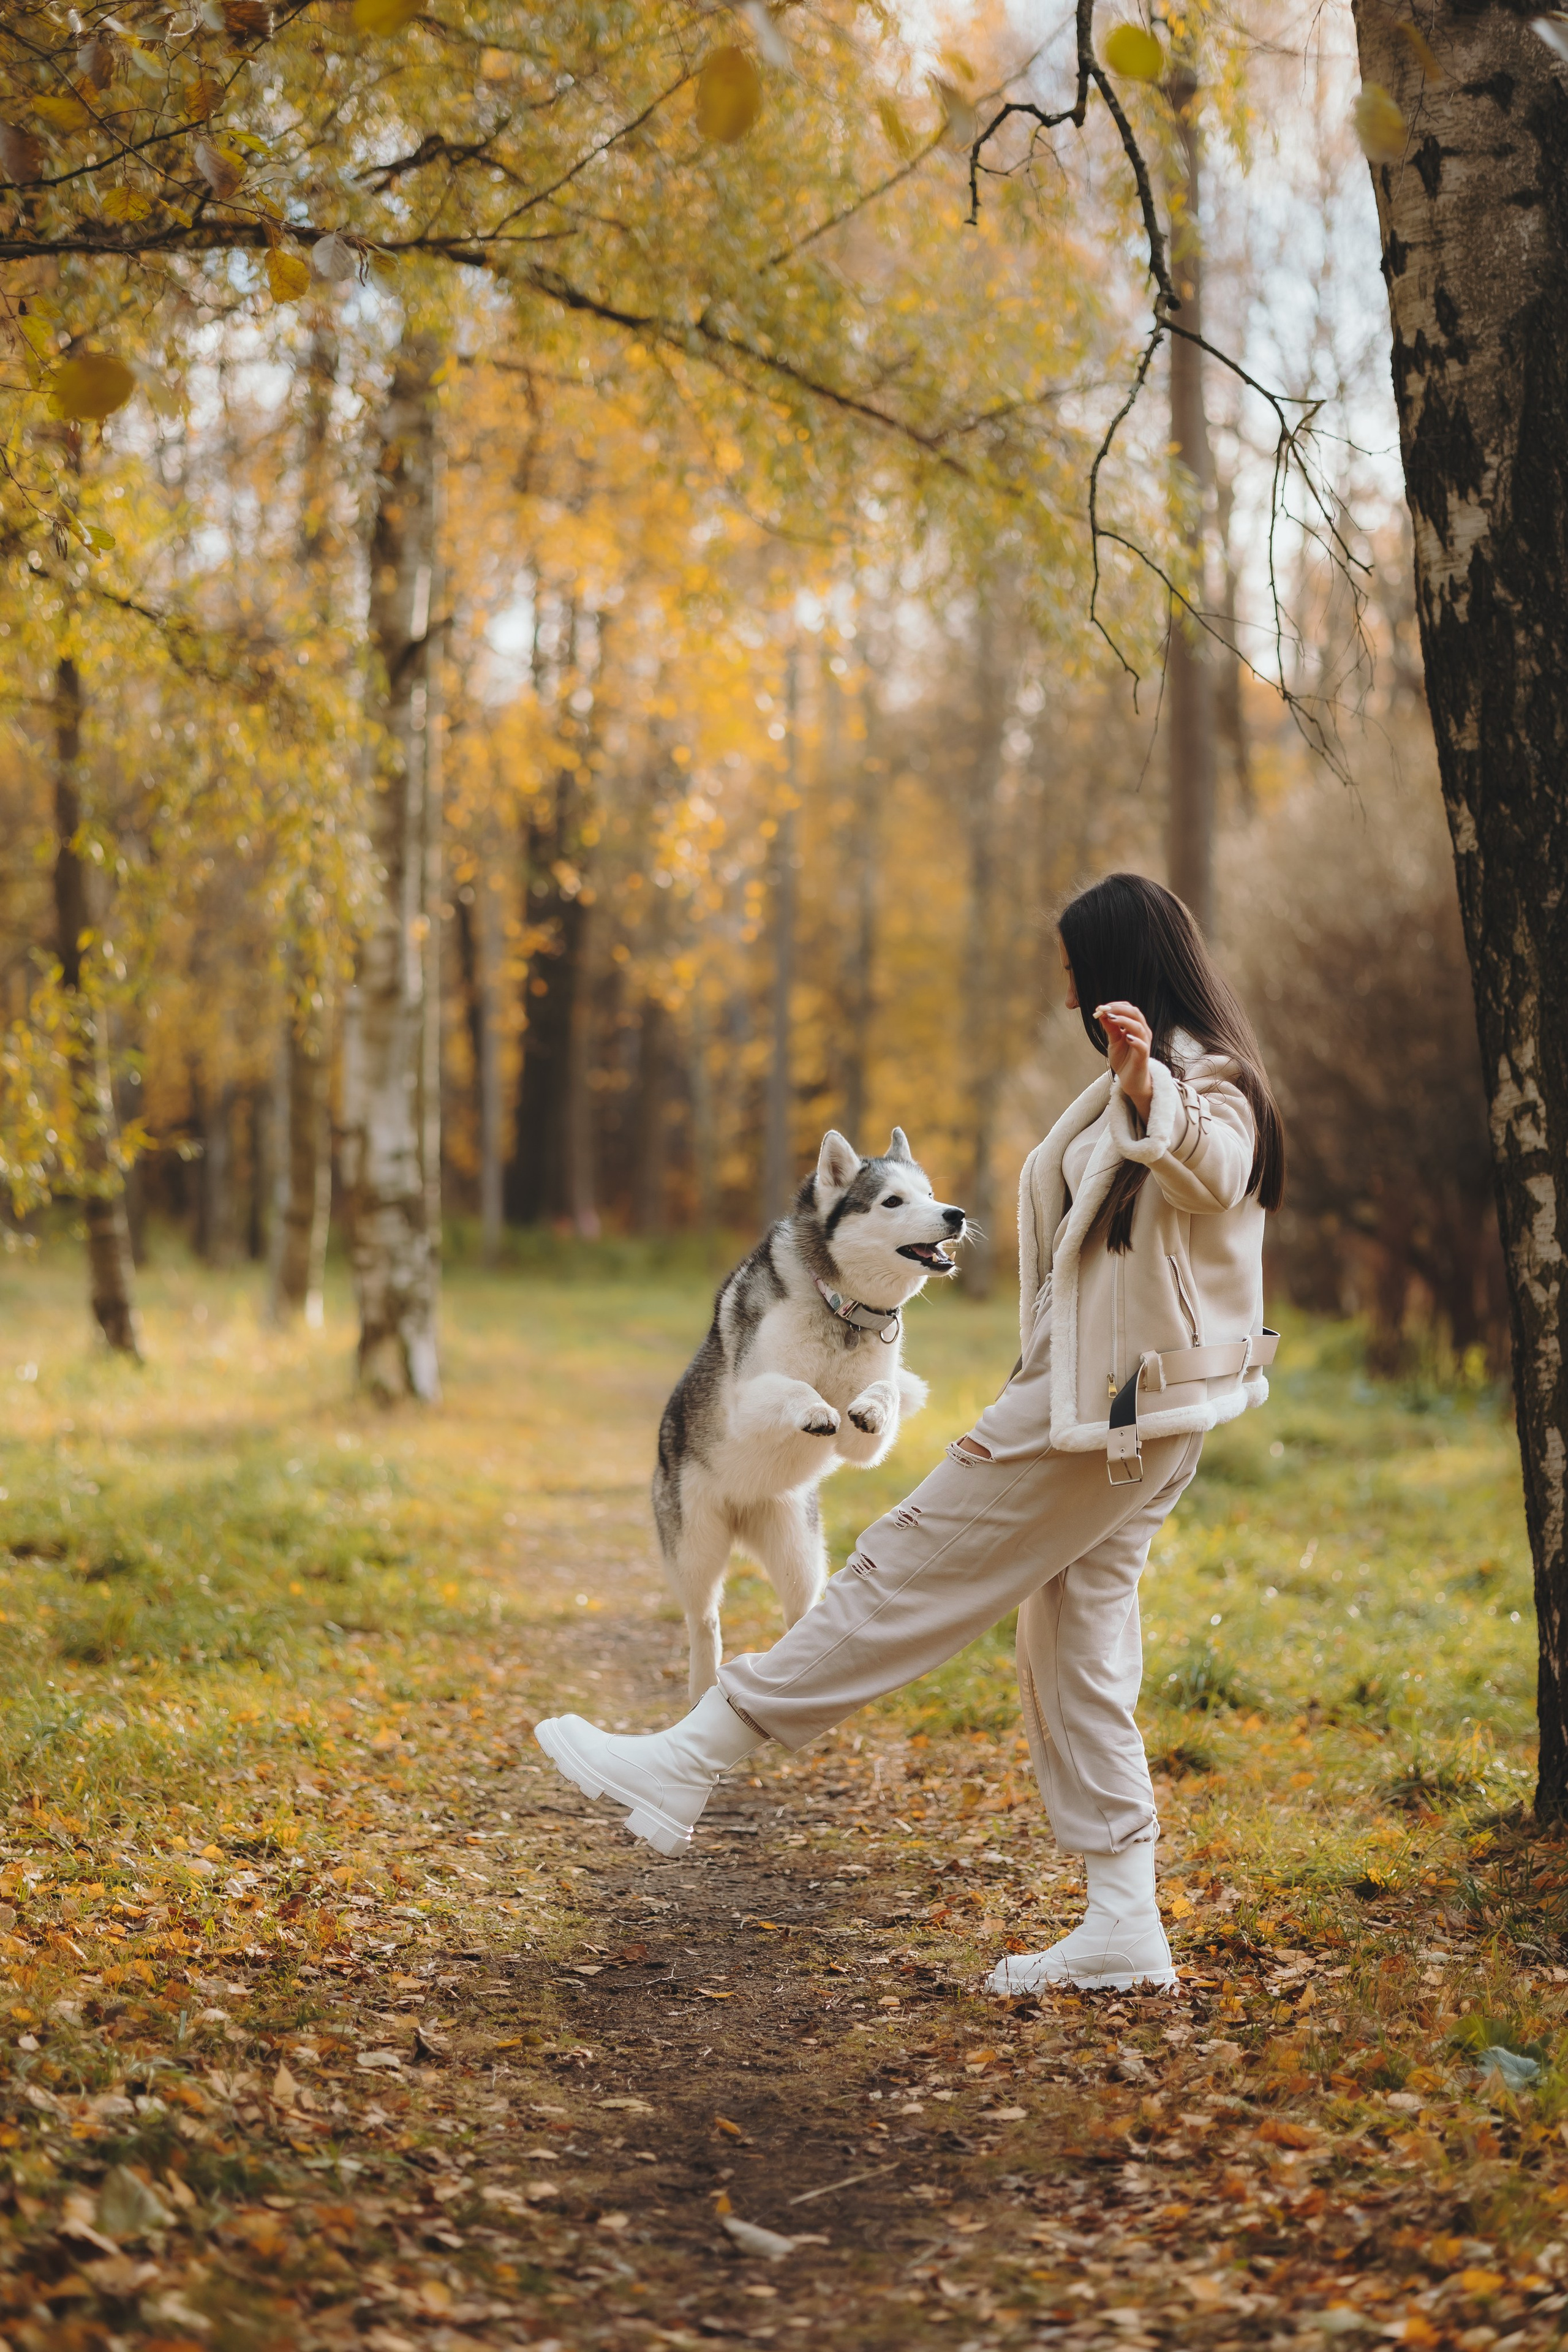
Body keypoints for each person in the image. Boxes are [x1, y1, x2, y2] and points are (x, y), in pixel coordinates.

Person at [536, 873, 1286, 1995]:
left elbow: (1217, 1171)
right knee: (1076, 1655)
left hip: (1105, 1420)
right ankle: (1127, 1923)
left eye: (1077, 964)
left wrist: (1151, 1096)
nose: (1067, 986)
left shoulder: (1200, 1078)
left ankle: (688, 1761)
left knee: (898, 1570)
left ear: (1123, 964)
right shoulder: (1136, 1079)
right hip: (1119, 1413)